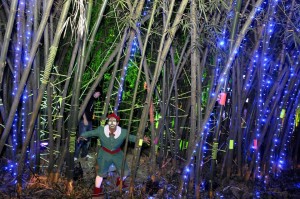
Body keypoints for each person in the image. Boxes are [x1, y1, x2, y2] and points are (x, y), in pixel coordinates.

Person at [78, 113, 150, 196]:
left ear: (117, 123)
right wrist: (82, 135)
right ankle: (96, 191)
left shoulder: (123, 132)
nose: (112, 123)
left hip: (117, 154)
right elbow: (91, 133)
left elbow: (133, 138)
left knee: (124, 171)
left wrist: (142, 140)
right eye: (110, 121)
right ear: (108, 122)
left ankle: (119, 182)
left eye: (114, 121)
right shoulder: (101, 130)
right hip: (104, 154)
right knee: (100, 173)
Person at [74, 86, 102, 161]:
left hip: (90, 121)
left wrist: (92, 116)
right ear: (95, 92)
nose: (98, 95)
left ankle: (84, 154)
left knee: (88, 139)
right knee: (82, 137)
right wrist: (85, 118)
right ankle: (75, 155)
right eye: (98, 93)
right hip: (84, 121)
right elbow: (82, 107)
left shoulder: (93, 100)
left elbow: (89, 110)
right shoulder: (88, 98)